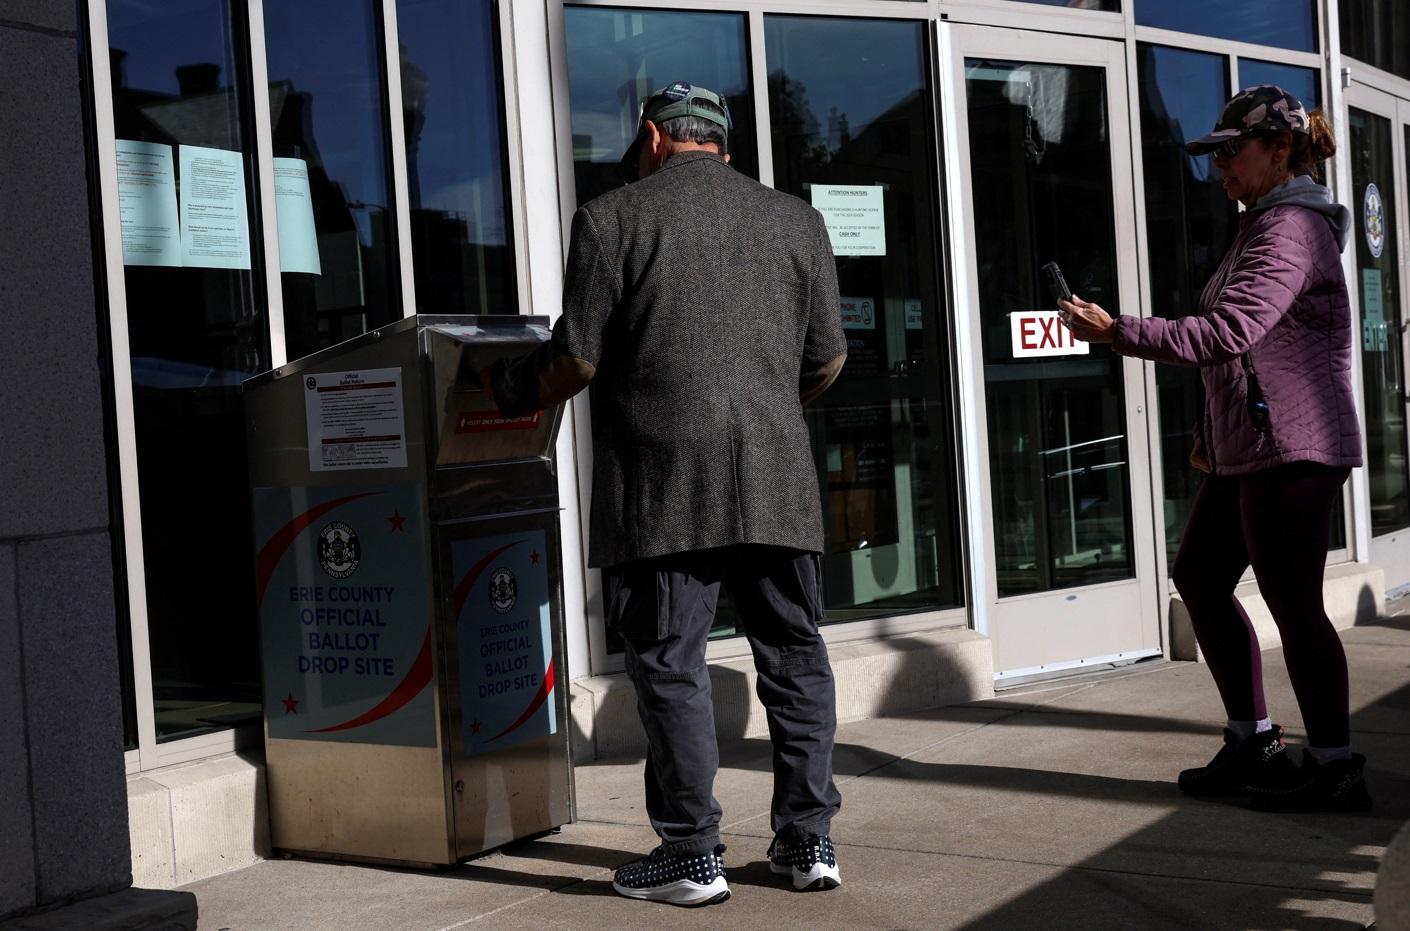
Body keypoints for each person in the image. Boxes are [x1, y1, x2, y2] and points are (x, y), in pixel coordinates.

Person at [483, 81, 848, 905]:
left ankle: (690, 852)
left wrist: (504, 389)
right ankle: (806, 839)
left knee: (672, 663)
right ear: (721, 143)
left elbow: (573, 361)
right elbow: (826, 361)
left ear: (652, 137)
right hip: (777, 475)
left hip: (662, 483)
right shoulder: (798, 220)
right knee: (795, 657)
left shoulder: (613, 217)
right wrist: (761, 411)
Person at [1059, 85, 1369, 812]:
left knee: (1294, 604)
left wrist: (1118, 332)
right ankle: (1253, 738)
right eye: (1214, 153)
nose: (1219, 167)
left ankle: (1333, 765)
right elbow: (1247, 350)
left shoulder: (1291, 228)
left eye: (1231, 152)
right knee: (1199, 575)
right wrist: (1211, 432)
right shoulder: (1260, 225)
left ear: (1279, 149)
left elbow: (1228, 333)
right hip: (1251, 446)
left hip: (1296, 447)